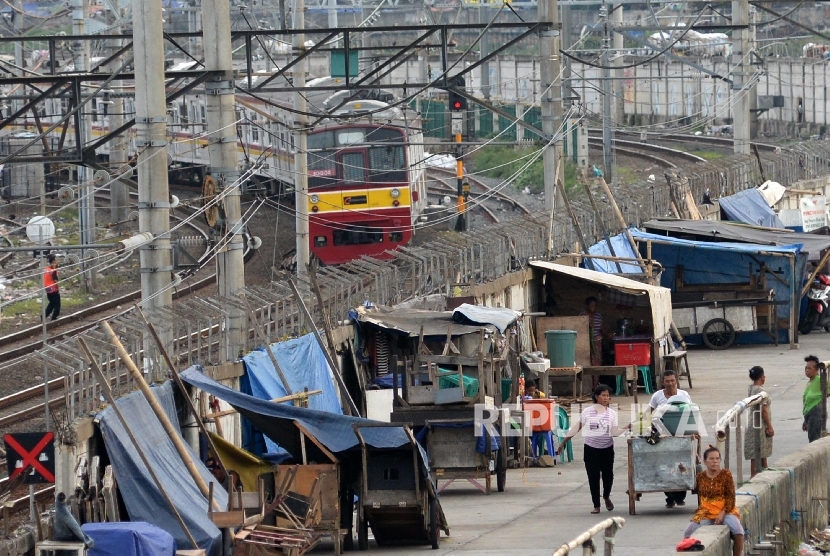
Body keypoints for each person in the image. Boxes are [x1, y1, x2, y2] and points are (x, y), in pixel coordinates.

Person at [558, 384, 631, 514]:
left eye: (608, 395)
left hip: (607, 448)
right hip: (591, 449)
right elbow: (576, 428)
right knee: (593, 477)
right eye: (603, 395)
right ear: (597, 397)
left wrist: (627, 427)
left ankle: (606, 496)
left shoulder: (612, 414)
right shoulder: (587, 412)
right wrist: (563, 442)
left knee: (608, 476)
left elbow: (614, 433)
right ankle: (596, 505)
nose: (606, 398)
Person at [684, 446, 744, 556]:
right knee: (688, 534)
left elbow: (731, 498)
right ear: (705, 461)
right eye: (711, 459)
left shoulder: (726, 475)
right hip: (705, 511)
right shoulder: (700, 477)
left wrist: (722, 513)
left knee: (738, 532)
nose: (715, 461)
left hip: (725, 510)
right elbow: (696, 491)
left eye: (717, 458)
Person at [649, 369, 692, 508]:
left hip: (681, 435)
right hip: (664, 436)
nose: (670, 383)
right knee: (666, 466)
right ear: (663, 382)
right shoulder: (657, 396)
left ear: (676, 381)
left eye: (672, 380)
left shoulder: (684, 395)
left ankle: (680, 496)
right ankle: (669, 498)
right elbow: (651, 414)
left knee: (681, 465)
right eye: (667, 381)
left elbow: (691, 413)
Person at [745, 366, 773, 477]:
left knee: (757, 454)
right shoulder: (761, 391)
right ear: (763, 377)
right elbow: (764, 410)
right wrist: (770, 426)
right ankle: (760, 476)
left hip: (752, 424)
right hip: (760, 425)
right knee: (761, 454)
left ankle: (757, 476)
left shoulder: (751, 388)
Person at [579, 296, 604, 379]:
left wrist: (609, 335)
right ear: (587, 306)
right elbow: (579, 330)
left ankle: (596, 383)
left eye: (595, 306)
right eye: (591, 306)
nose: (594, 308)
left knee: (597, 363)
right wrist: (588, 327)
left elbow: (602, 329)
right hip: (586, 343)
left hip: (597, 343)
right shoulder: (582, 316)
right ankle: (589, 385)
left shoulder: (598, 316)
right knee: (588, 362)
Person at [802, 355, 824, 443]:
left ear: (816, 369)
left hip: (816, 412)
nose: (807, 370)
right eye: (806, 368)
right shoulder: (810, 382)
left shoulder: (819, 380)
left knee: (814, 440)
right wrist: (806, 420)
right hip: (809, 413)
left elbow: (828, 390)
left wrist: (821, 400)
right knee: (811, 437)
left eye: (809, 368)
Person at [43, 254, 61, 321]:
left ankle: (44, 315)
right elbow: (55, 280)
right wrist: (58, 289)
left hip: (47, 289)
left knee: (52, 303)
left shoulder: (46, 269)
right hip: (53, 289)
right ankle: (54, 317)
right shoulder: (53, 270)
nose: (56, 261)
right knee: (57, 304)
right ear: (53, 261)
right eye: (56, 259)